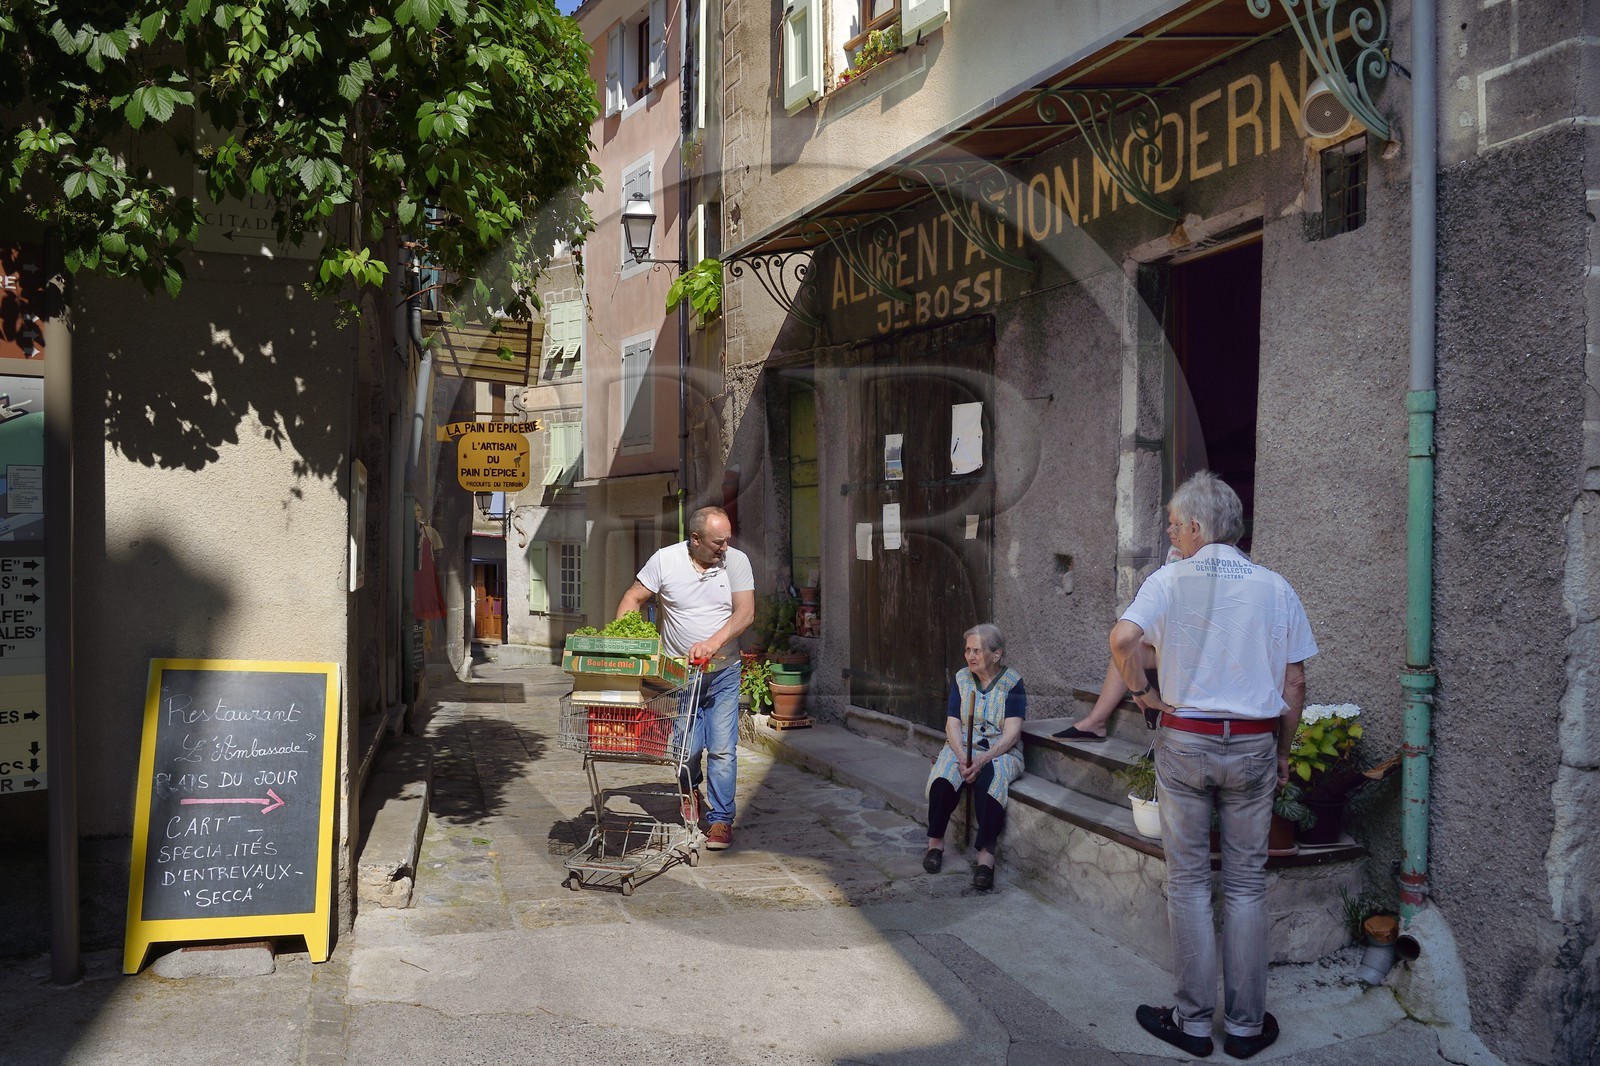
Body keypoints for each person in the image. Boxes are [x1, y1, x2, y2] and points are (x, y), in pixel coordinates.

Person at [1110, 471, 1316, 1061]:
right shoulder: (1275, 586)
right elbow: (1295, 681)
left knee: (1191, 882)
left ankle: (1193, 1023)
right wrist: (1282, 751)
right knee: (1248, 882)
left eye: (1174, 524)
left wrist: (1143, 695)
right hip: (1252, 742)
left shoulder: (1169, 579)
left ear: (1197, 528)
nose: (1170, 534)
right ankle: (1247, 1029)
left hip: (1187, 739)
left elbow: (1122, 640)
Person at [615, 506, 754, 851]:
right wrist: (628, 643)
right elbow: (633, 597)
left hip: (723, 671)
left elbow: (746, 612)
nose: (725, 547)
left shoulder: (736, 562)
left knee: (722, 749)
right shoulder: (665, 561)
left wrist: (713, 643)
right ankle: (689, 785)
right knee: (686, 749)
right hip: (680, 675)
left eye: (727, 540)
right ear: (695, 539)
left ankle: (721, 819)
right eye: (717, 542)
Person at [922, 623, 1025, 891]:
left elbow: (1012, 733)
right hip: (962, 746)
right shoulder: (961, 678)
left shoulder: (1012, 682)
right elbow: (952, 723)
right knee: (944, 777)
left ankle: (985, 859)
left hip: (1001, 750)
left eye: (977, 650)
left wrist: (981, 760)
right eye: (967, 650)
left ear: (997, 654)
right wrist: (961, 755)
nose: (970, 656)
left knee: (990, 782)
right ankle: (935, 844)